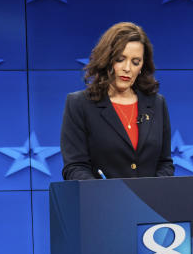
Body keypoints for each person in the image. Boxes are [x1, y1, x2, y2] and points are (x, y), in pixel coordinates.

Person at [60, 22, 174, 180]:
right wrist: (107, 195)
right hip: (100, 202)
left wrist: (152, 195)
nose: (127, 68)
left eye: (135, 62)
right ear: (107, 59)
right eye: (120, 59)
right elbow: (75, 167)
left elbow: (165, 164)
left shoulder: (157, 104)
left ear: (141, 66)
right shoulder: (79, 104)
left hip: (151, 203)